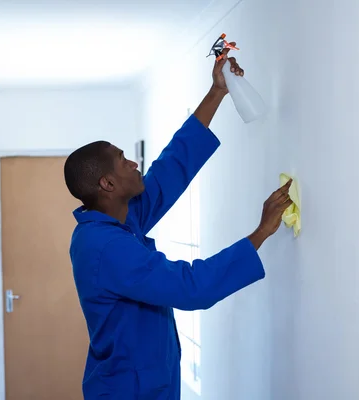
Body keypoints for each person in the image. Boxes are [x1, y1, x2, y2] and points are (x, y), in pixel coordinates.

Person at [64, 44, 293, 399]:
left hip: (146, 383)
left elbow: (170, 169)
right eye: (123, 161)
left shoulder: (118, 219)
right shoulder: (105, 247)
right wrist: (261, 232)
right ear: (106, 184)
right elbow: (190, 287)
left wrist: (217, 91)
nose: (133, 163)